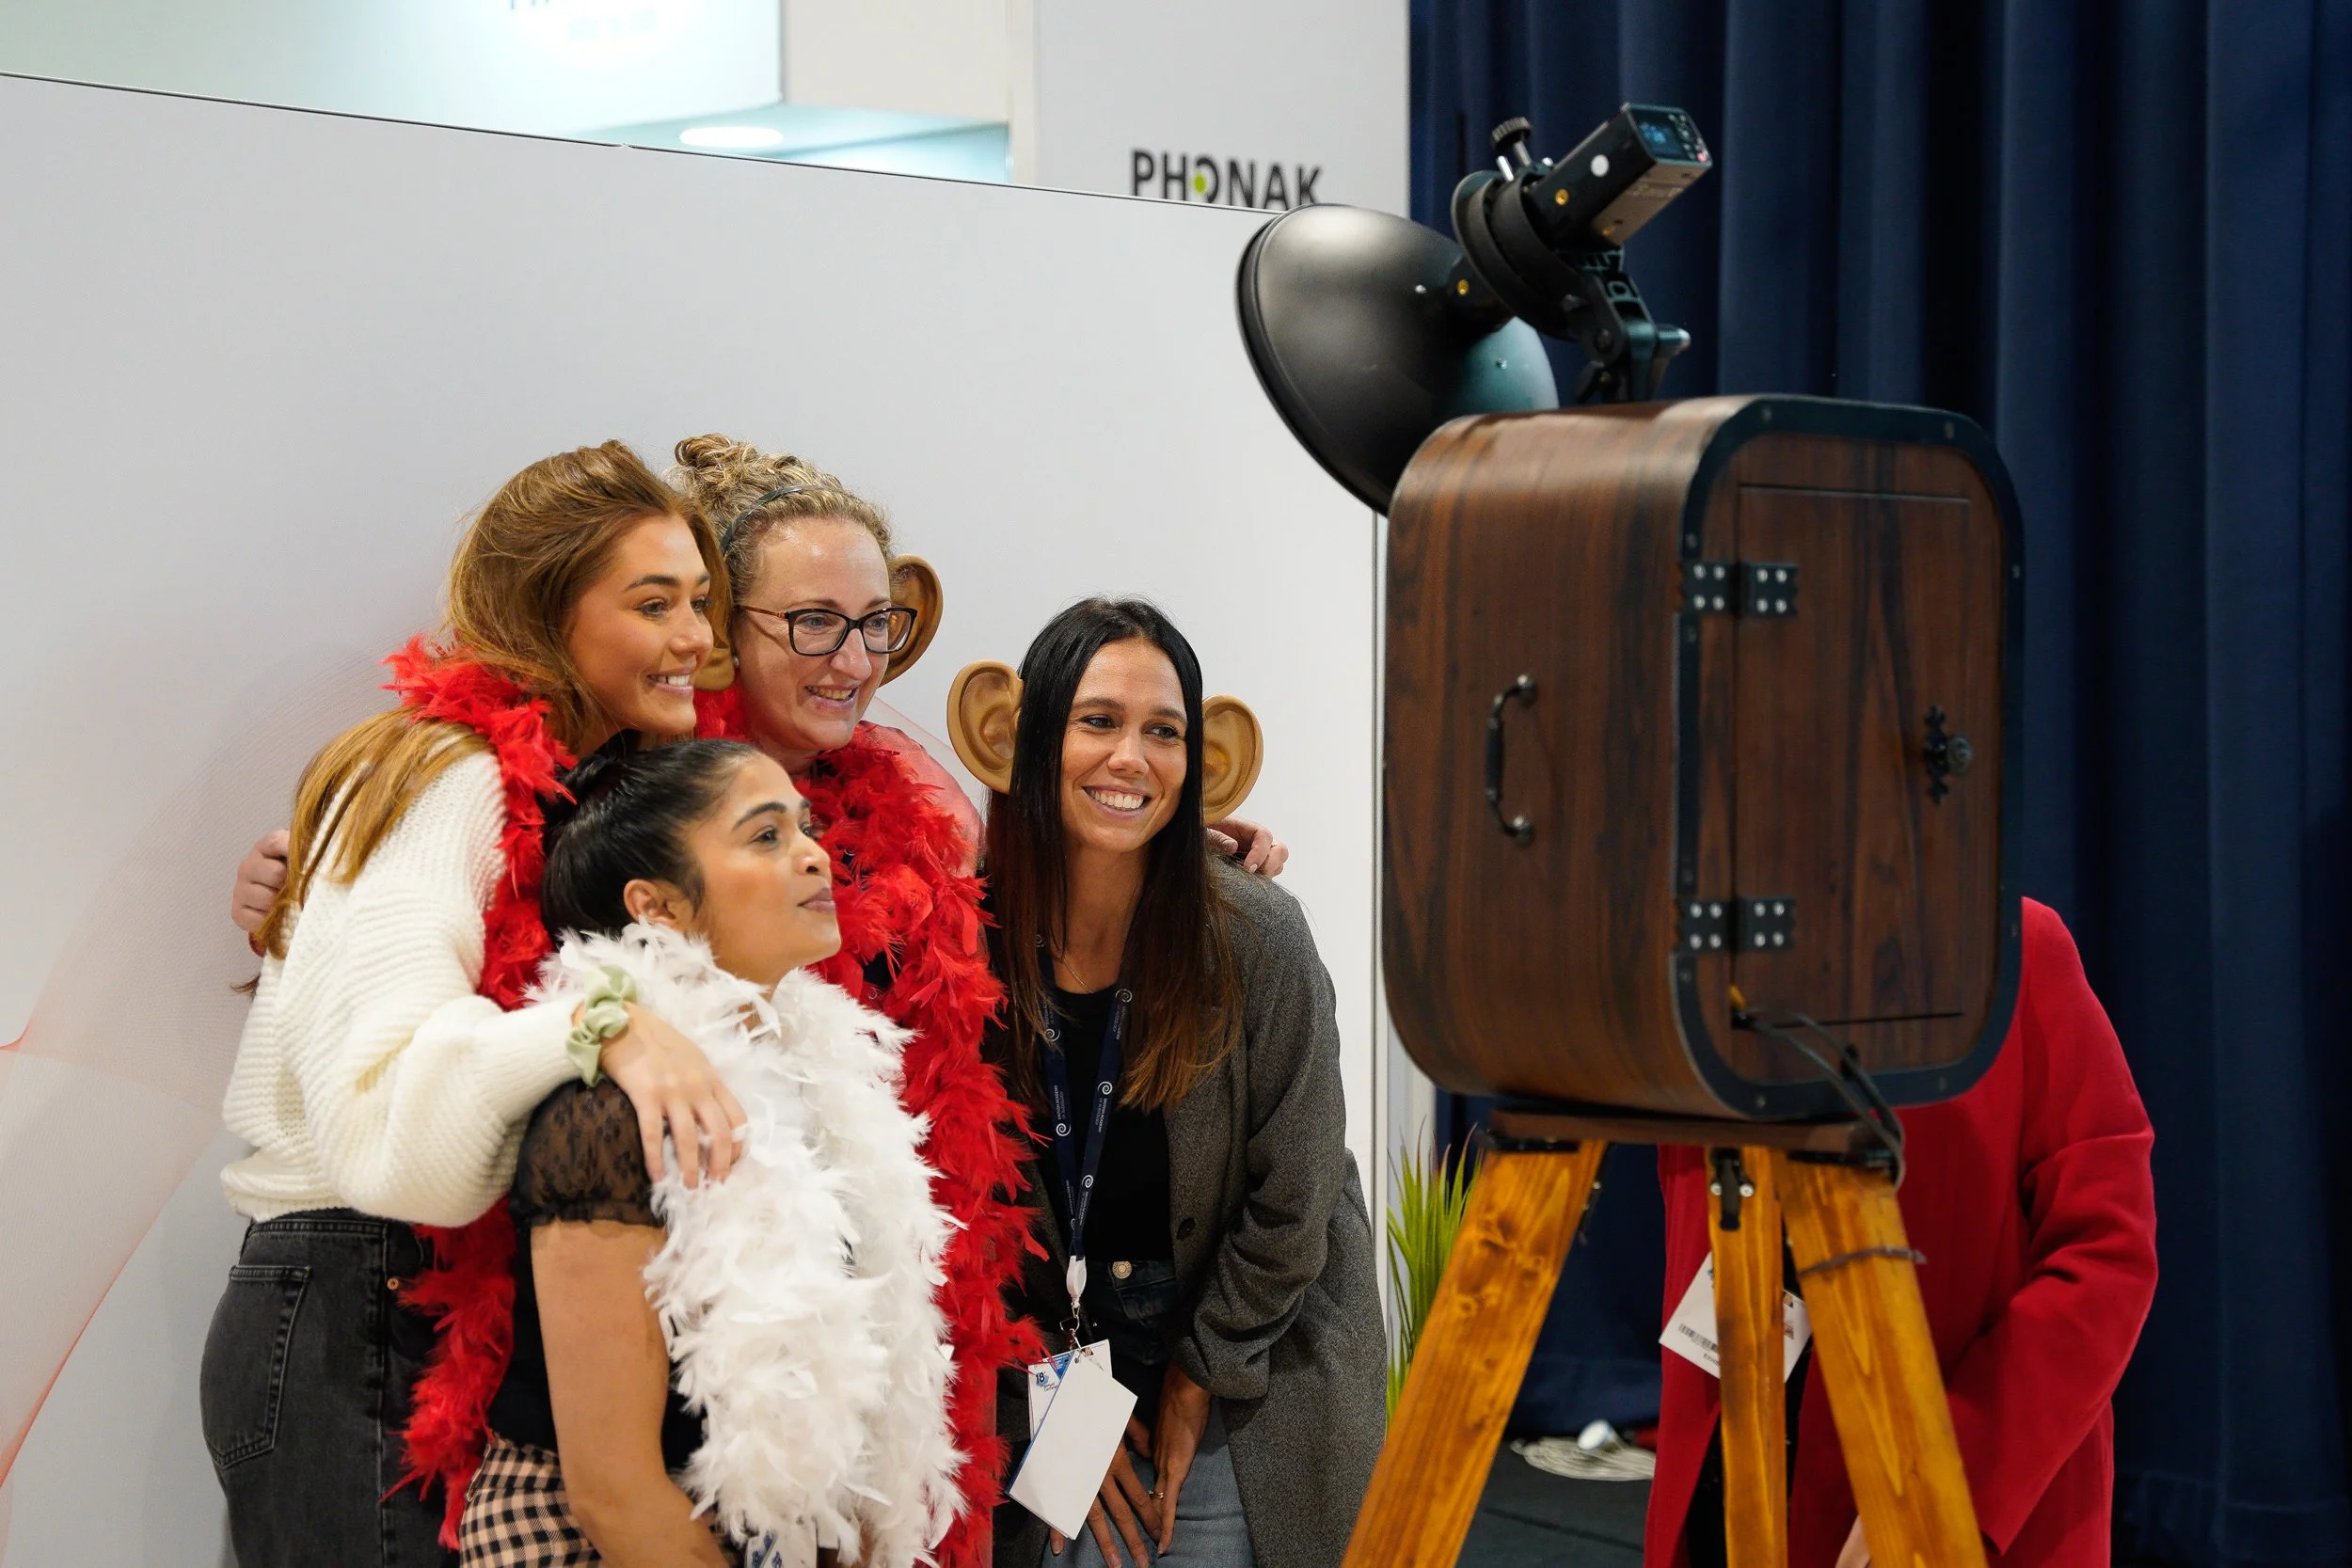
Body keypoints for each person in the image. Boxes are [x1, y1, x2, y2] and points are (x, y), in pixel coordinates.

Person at [226, 437, 1291, 1563]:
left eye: (874, 622)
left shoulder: (897, 827)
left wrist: (1160, 841)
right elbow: (412, 1060)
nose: (851, 657)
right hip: (425, 1307)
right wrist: (586, 1016)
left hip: (773, 1382)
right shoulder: (552, 791)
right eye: (807, 621)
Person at [202, 442, 748, 1566]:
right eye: (655, 603)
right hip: (361, 1304)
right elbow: (386, 1128)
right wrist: (604, 1024)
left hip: (406, 1308)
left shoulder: (576, 792)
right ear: (548, 615)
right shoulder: (443, 772)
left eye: (700, 598)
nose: (697, 635)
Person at [946, 598, 1385, 1568]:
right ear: (1024, 736)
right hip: (1044, 1357)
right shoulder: (961, 941)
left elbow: (1298, 1189)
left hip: (1239, 1339)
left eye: (1163, 731)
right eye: (1097, 720)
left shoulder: (1255, 933)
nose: (1130, 758)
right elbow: (950, 1202)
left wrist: (1197, 1374)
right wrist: (1048, 1385)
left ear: (1201, 758)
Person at [461, 739, 959, 1567]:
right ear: (657, 908)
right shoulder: (609, 1114)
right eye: (765, 836)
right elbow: (611, 1489)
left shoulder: (818, 1081)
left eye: (806, 826)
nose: (812, 854)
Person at [1644, 898, 2158, 1568]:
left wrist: (1944, 1483)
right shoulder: (1707, 951)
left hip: (1953, 1509)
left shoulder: (2010, 947)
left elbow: (2106, 1252)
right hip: (1732, 1482)